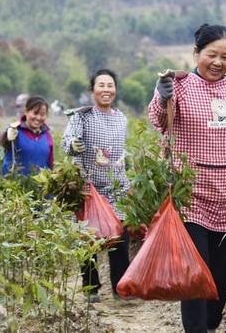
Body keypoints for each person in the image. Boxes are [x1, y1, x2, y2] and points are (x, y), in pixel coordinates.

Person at [148, 24, 226, 333]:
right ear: (196, 53)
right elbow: (157, 121)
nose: (218, 62)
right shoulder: (178, 85)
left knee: (220, 278)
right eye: (212, 55)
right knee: (195, 275)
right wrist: (162, 97)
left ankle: (209, 326)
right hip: (192, 193)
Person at [61, 68, 131, 303]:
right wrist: (74, 145)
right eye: (101, 85)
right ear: (92, 91)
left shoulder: (121, 118)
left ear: (115, 90)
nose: (106, 90)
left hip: (115, 187)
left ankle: (120, 288)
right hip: (88, 187)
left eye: (110, 85)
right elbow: (68, 140)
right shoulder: (81, 116)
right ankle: (91, 288)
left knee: (119, 237)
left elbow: (121, 153)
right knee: (89, 240)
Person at [0, 95, 54, 176]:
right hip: (17, 185)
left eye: (42, 114)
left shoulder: (47, 136)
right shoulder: (15, 131)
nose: (39, 117)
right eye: (35, 113)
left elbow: (50, 163)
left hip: (41, 186)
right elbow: (4, 142)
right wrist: (7, 134)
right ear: (26, 111)